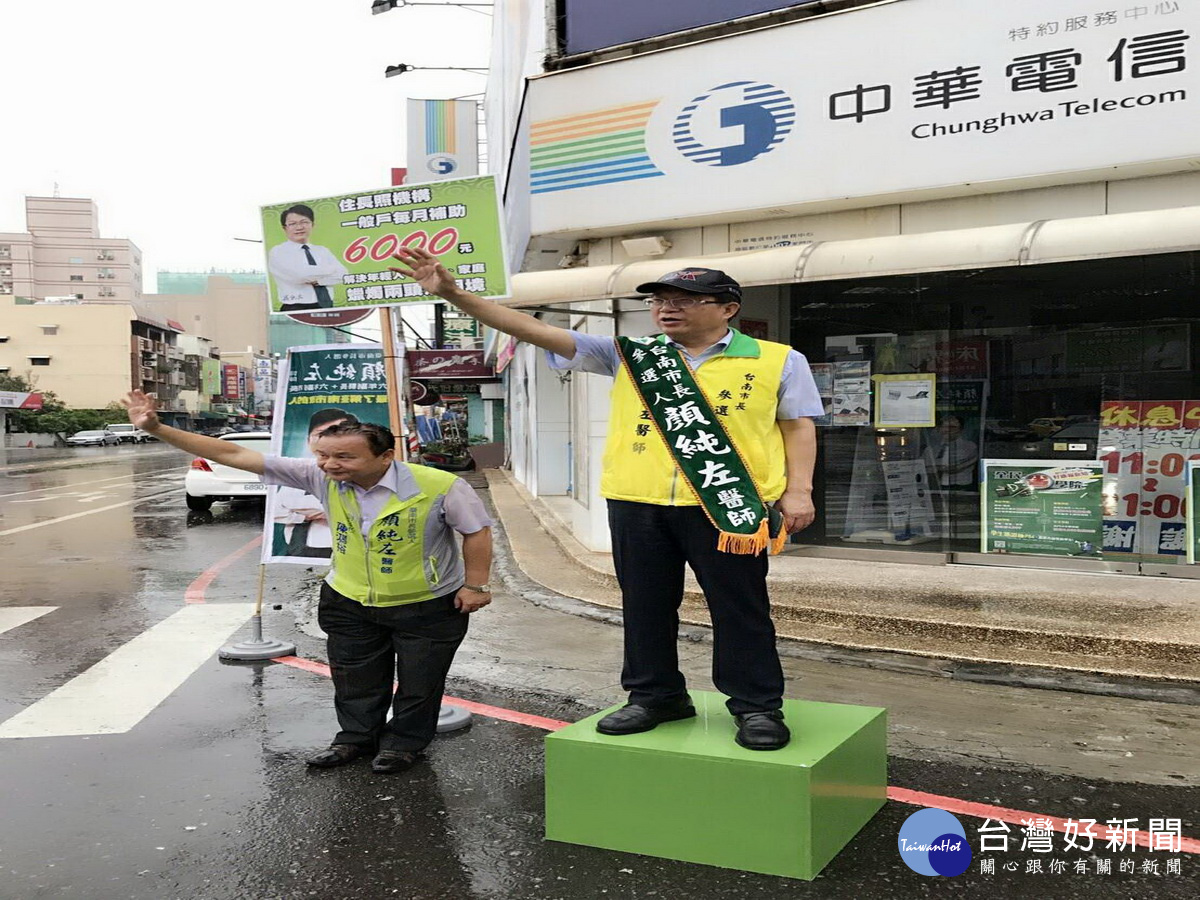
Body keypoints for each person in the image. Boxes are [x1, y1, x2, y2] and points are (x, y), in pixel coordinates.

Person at [390, 247, 822, 750]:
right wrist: (454, 295)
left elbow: (797, 427)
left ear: (728, 308)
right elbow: (534, 331)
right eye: (660, 299)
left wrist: (799, 492)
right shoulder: (630, 355)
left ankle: (756, 706)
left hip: (728, 506)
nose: (667, 308)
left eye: (685, 299)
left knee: (741, 608)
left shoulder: (777, 360)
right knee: (645, 605)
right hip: (637, 503)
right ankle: (655, 695)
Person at [122, 390, 494, 773]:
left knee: (420, 681)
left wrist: (475, 586)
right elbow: (233, 455)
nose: (329, 465)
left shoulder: (439, 485)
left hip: (426, 603)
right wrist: (156, 427)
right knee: (354, 679)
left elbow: (476, 531)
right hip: (349, 600)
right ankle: (355, 739)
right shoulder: (320, 476)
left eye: (344, 457)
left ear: (385, 457)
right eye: (323, 455)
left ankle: (403, 743)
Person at [272, 408, 359, 559]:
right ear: (308, 440)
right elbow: (277, 511)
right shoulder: (301, 472)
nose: (327, 440)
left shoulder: (361, 472)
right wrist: (308, 516)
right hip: (302, 546)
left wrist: (307, 511)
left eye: (336, 433)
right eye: (320, 434)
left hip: (350, 547)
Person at [267, 204, 348, 311]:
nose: (299, 227)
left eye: (304, 222)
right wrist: (329, 270)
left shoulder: (322, 250)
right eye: (292, 224)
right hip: (295, 306)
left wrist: (318, 281)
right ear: (284, 228)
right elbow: (300, 275)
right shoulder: (278, 251)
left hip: (326, 305)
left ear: (312, 225)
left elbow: (343, 274)